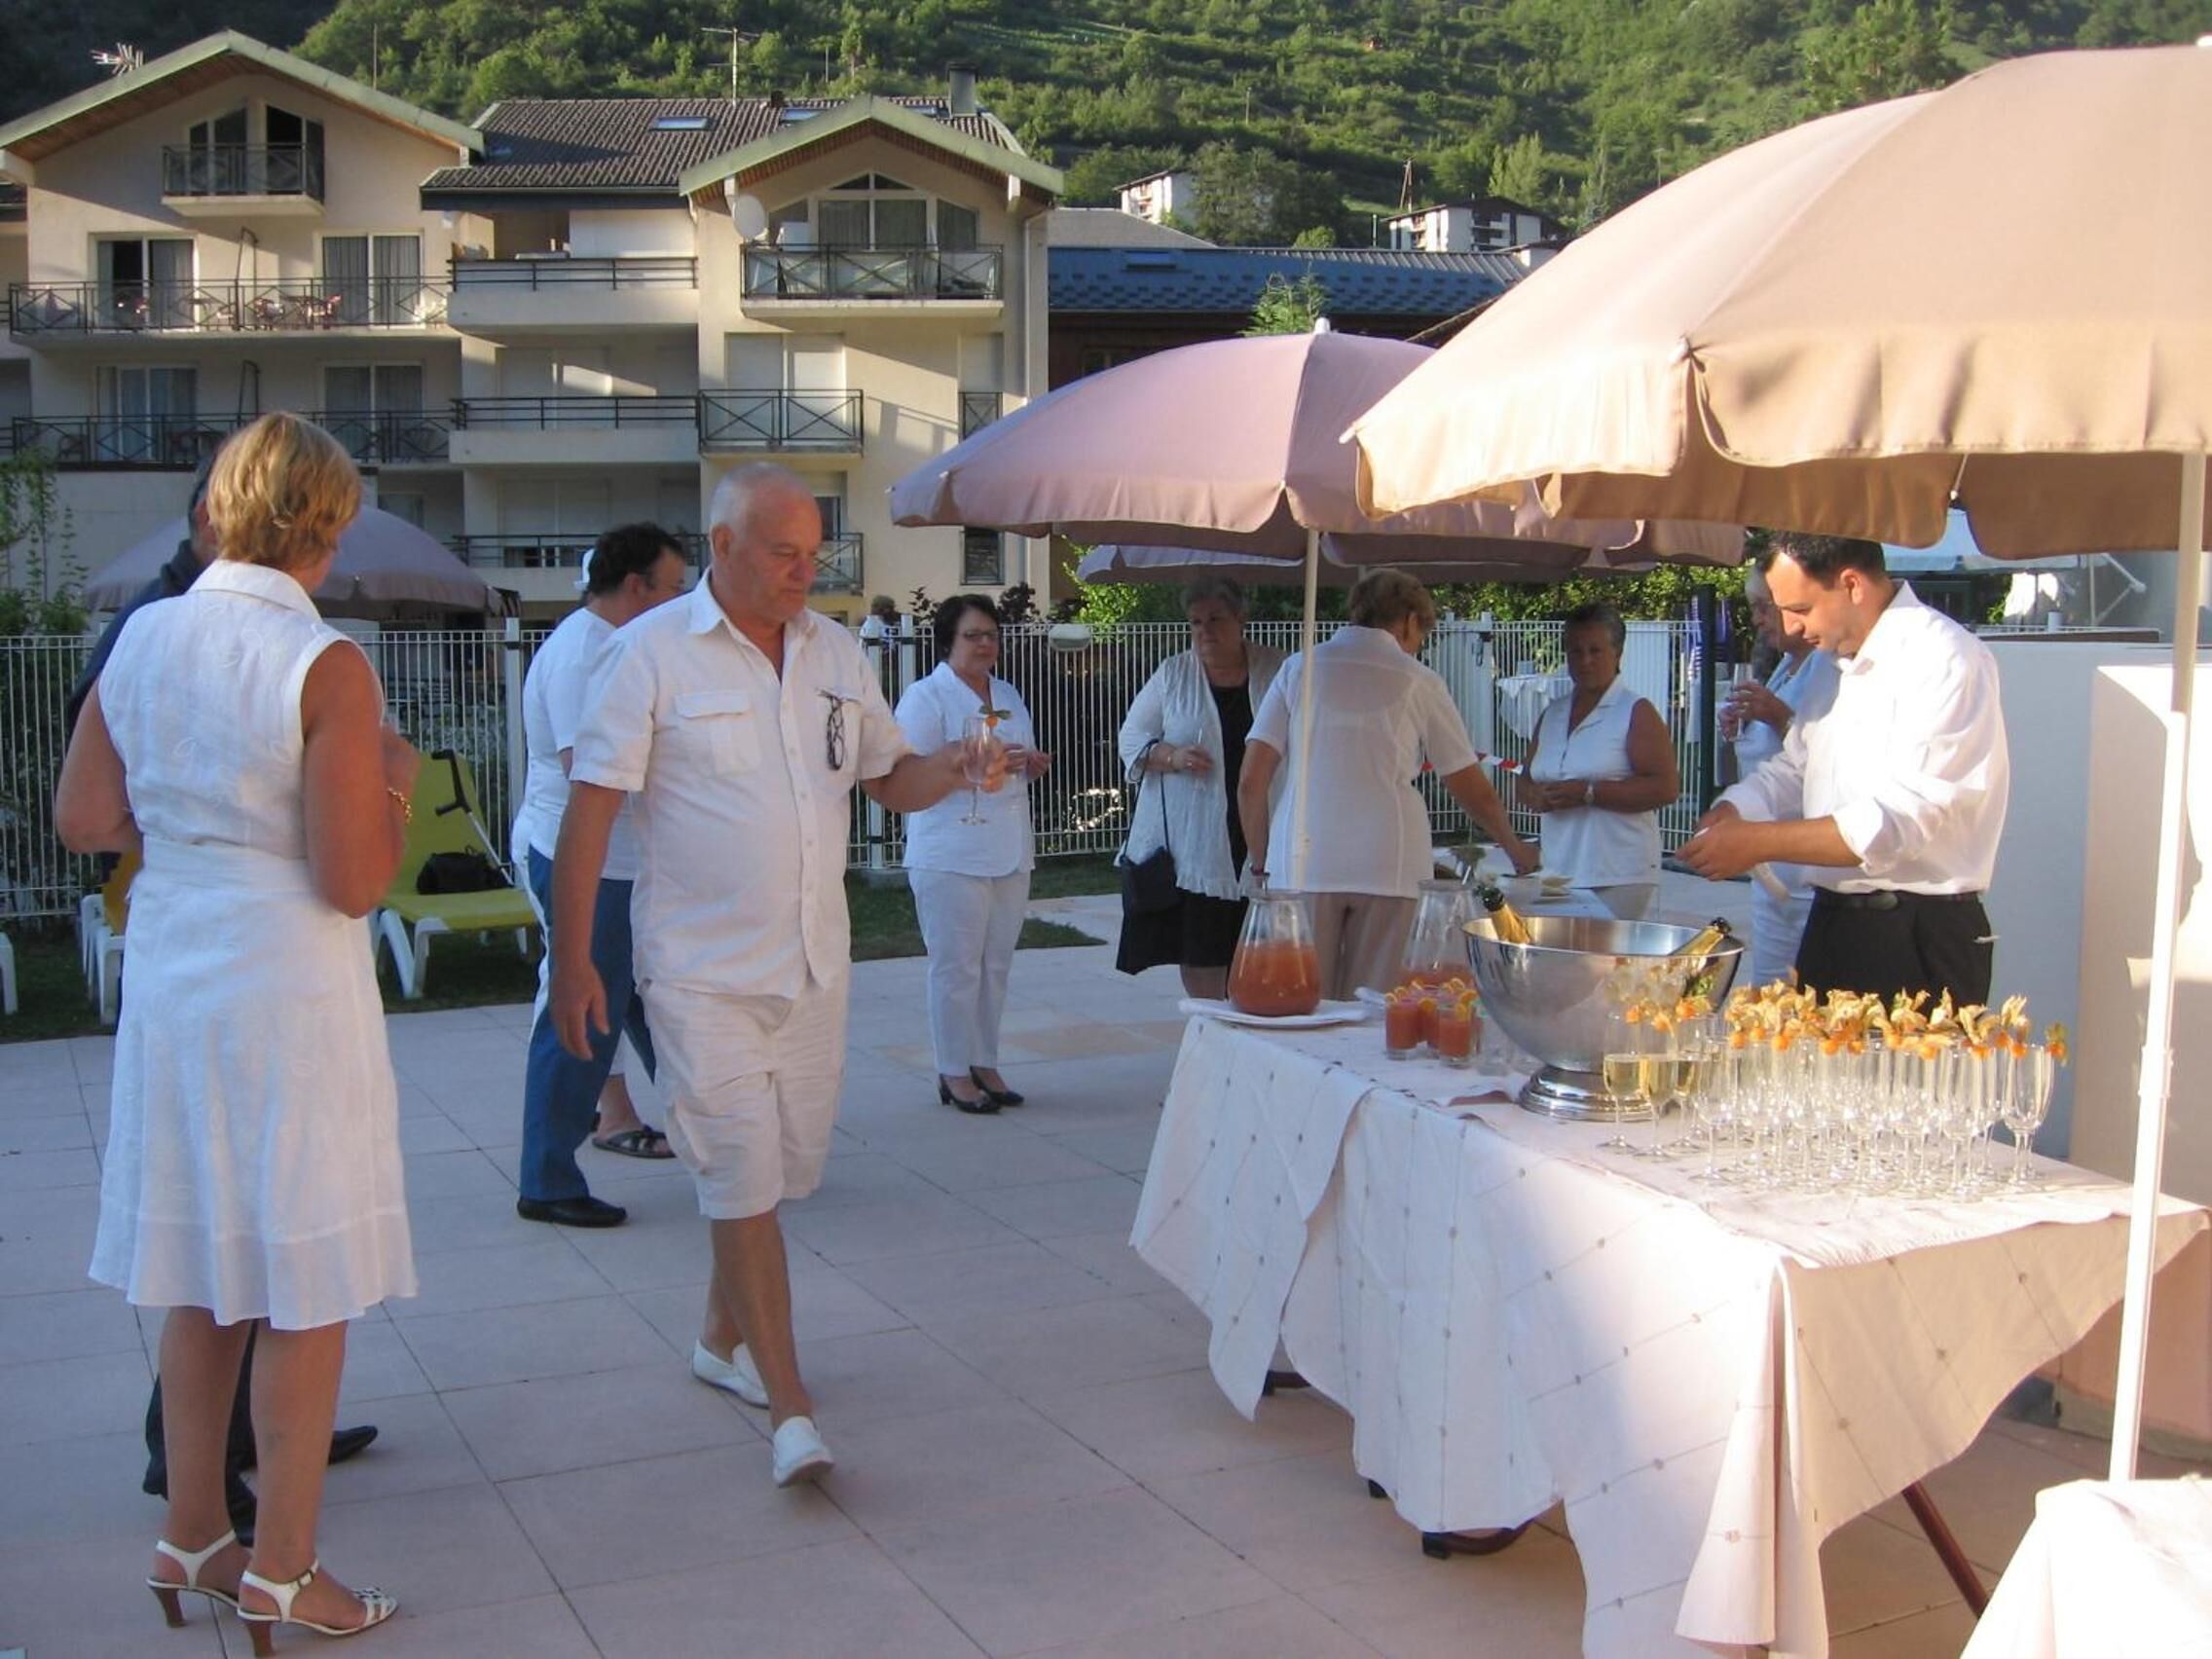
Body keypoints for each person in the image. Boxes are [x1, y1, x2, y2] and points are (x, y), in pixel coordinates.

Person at [550, 462, 1001, 1488]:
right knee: (741, 1177)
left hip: (813, 966)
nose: (806, 573)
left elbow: (890, 776)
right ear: (721, 546)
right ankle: (790, 1406)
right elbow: (590, 810)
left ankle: (719, 1340)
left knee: (774, 1176)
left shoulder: (836, 652)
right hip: (699, 976)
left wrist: (961, 768)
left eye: (814, 553)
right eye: (783, 553)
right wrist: (571, 956)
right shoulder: (647, 656)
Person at [55, 412, 415, 1643]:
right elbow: (355, 879)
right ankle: (284, 1566)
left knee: (204, 1273)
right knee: (301, 1283)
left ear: (219, 510)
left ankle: (194, 1535)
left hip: (175, 969)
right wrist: (394, 781)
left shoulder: (145, 637)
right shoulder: (325, 665)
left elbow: (86, 815)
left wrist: (198, 822)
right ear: (331, 522)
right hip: (283, 985)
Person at [1681, 534, 2009, 1004]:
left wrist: (1758, 841)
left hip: (1920, 932)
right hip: (1832, 922)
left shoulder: (1944, 658)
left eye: (1800, 608)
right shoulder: (1824, 664)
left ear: (1852, 584)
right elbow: (1797, 765)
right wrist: (1736, 808)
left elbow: (1901, 822)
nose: (1791, 627)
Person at [1239, 569, 1538, 1001]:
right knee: (1375, 1006)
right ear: (1410, 622)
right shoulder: (1419, 680)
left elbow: (1252, 779)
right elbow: (1469, 783)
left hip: (1304, 855)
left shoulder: (1298, 667)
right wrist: (1513, 846)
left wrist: (1260, 861)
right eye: (1421, 634)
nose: (1417, 645)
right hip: (1391, 858)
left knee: (1299, 999)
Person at [511, 525, 692, 1227]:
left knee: (663, 1006)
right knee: (583, 1013)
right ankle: (547, 1179)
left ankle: (722, 1143)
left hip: (630, 865)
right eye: (673, 587)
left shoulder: (621, 646)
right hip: (585, 864)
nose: (681, 601)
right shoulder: (581, 653)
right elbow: (583, 771)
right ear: (637, 586)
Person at [895, 595, 1051, 1113]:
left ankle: (985, 1059)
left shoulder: (1006, 693)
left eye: (991, 634)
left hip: (1008, 846)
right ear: (948, 640)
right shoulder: (925, 697)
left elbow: (1014, 759)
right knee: (956, 966)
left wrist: (1029, 763)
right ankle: (953, 1069)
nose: (986, 644)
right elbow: (914, 774)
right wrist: (971, 767)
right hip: (950, 849)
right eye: (973, 635)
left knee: (995, 964)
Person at [1115, 577, 1285, 1000]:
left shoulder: (1280, 668)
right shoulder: (1174, 673)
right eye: (1195, 622)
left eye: (1216, 619)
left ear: (1241, 618)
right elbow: (1132, 738)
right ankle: (1212, 1030)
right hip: (1198, 842)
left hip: (1265, 827)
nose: (1205, 630)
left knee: (1265, 953)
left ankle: (1252, 1037)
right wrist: (1171, 757)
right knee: (1202, 952)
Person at [1515, 601, 1679, 920]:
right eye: (1575, 651)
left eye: (1596, 650)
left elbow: (1665, 788)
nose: (1585, 661)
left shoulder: (1635, 711)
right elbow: (1525, 778)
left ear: (1617, 653)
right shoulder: (1553, 713)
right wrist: (1534, 795)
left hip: (1617, 875)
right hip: (1558, 871)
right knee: (1562, 964)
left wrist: (1590, 793)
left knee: (1601, 967)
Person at [1720, 559, 1841, 986]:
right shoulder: (1784, 666)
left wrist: (1774, 715)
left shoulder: (1827, 667)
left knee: (1797, 994)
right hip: (1768, 868)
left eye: (1764, 607)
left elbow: (1824, 757)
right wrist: (1741, 725)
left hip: (1803, 868)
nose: (1757, 619)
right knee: (1768, 989)